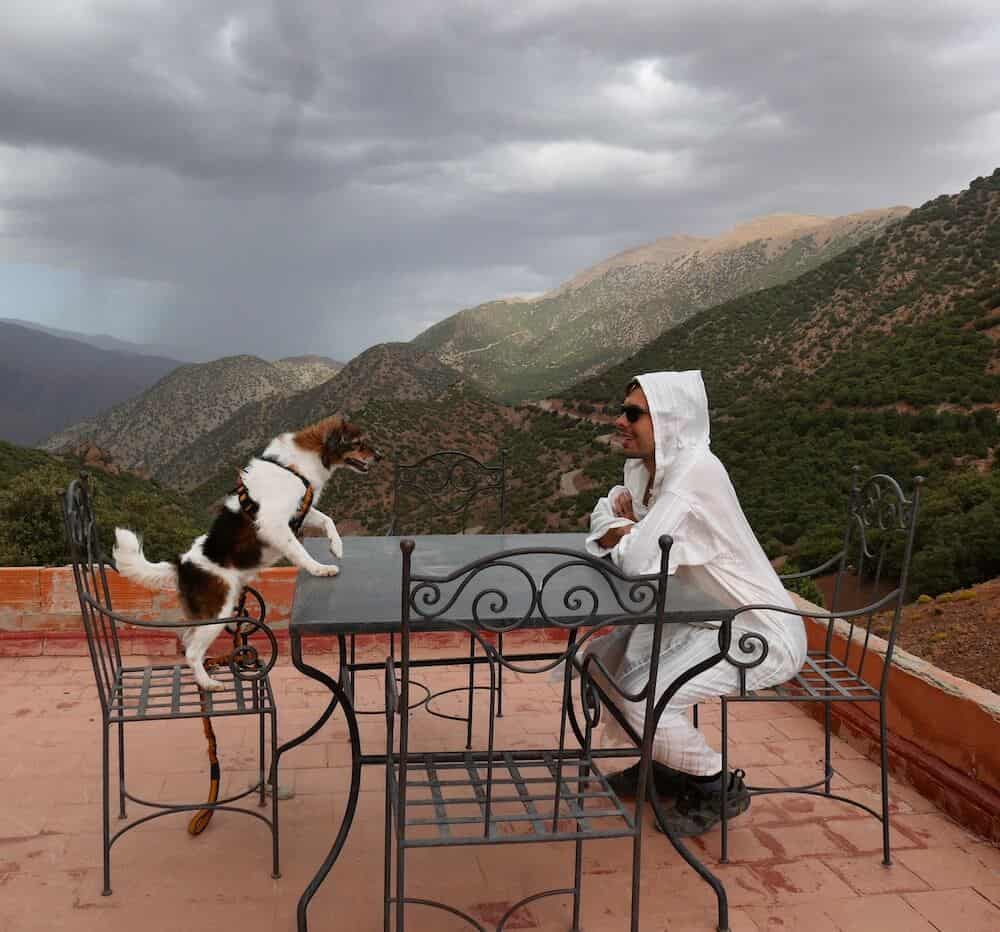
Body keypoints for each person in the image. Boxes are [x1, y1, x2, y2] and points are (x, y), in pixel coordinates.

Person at [585, 370, 807, 836]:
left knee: (645, 701)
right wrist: (628, 529)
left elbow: (640, 561)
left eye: (633, 414)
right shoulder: (651, 470)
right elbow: (606, 510)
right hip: (710, 619)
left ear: (668, 419)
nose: (620, 422)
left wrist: (624, 532)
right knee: (601, 664)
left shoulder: (694, 473)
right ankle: (668, 765)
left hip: (760, 632)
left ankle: (713, 781)